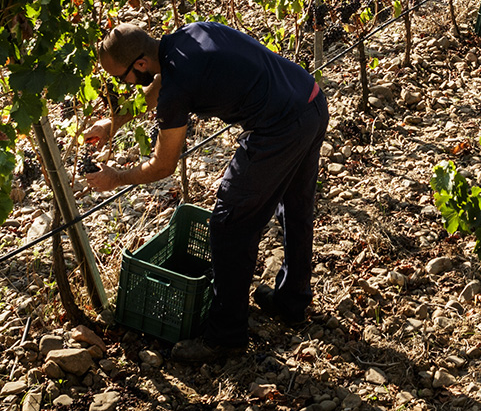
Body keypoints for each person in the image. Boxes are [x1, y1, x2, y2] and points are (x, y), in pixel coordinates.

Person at [82, 21, 328, 362]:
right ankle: (292, 303)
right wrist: (113, 123)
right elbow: (156, 88)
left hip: (280, 128)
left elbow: (163, 166)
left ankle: (226, 336)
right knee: (296, 206)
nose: (120, 84)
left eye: (119, 78)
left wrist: (116, 178)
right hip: (310, 99)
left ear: (139, 65)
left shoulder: (177, 86)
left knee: (229, 224)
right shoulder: (187, 37)